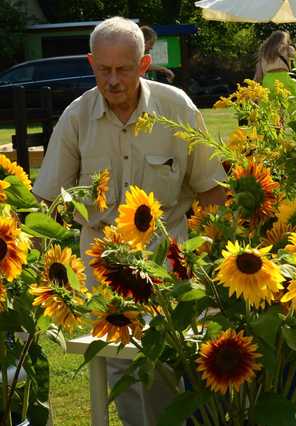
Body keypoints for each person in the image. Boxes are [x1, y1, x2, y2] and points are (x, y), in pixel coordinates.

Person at [33, 17, 227, 426]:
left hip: (168, 260)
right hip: (103, 267)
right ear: (91, 63)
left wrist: (215, 254)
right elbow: (47, 199)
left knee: (167, 365)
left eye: (123, 69)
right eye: (104, 69)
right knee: (122, 364)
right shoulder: (76, 118)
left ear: (144, 64)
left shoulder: (177, 109)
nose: (113, 80)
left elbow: (212, 188)